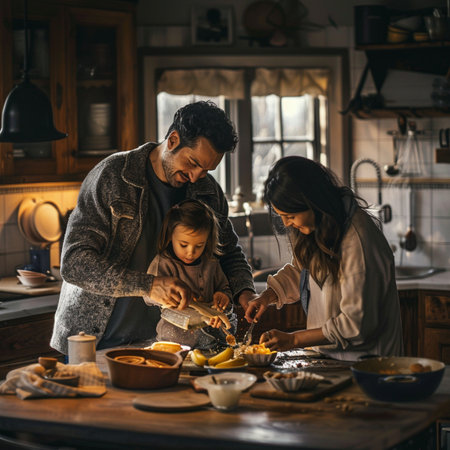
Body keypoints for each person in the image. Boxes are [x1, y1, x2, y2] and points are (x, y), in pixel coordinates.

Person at [50, 101, 256, 355]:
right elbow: (75, 264)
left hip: (167, 344)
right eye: (192, 163)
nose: (195, 177)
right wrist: (148, 285)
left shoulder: (208, 191)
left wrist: (244, 290)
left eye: (206, 169)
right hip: (95, 340)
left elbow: (229, 253)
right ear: (173, 140)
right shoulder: (112, 176)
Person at [245, 156, 403, 361]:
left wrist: (293, 340)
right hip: (330, 360)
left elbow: (356, 325)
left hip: (368, 366)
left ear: (313, 203)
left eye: (291, 216)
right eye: (281, 216)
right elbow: (302, 272)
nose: (287, 224)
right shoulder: (320, 228)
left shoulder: (358, 240)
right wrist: (268, 296)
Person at [144, 199, 234, 349]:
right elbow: (147, 295)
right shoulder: (163, 263)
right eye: (183, 245)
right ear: (170, 236)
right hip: (172, 338)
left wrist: (223, 296)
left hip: (208, 339)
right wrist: (171, 295)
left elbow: (224, 288)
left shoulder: (211, 263)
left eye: (199, 245)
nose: (191, 252)